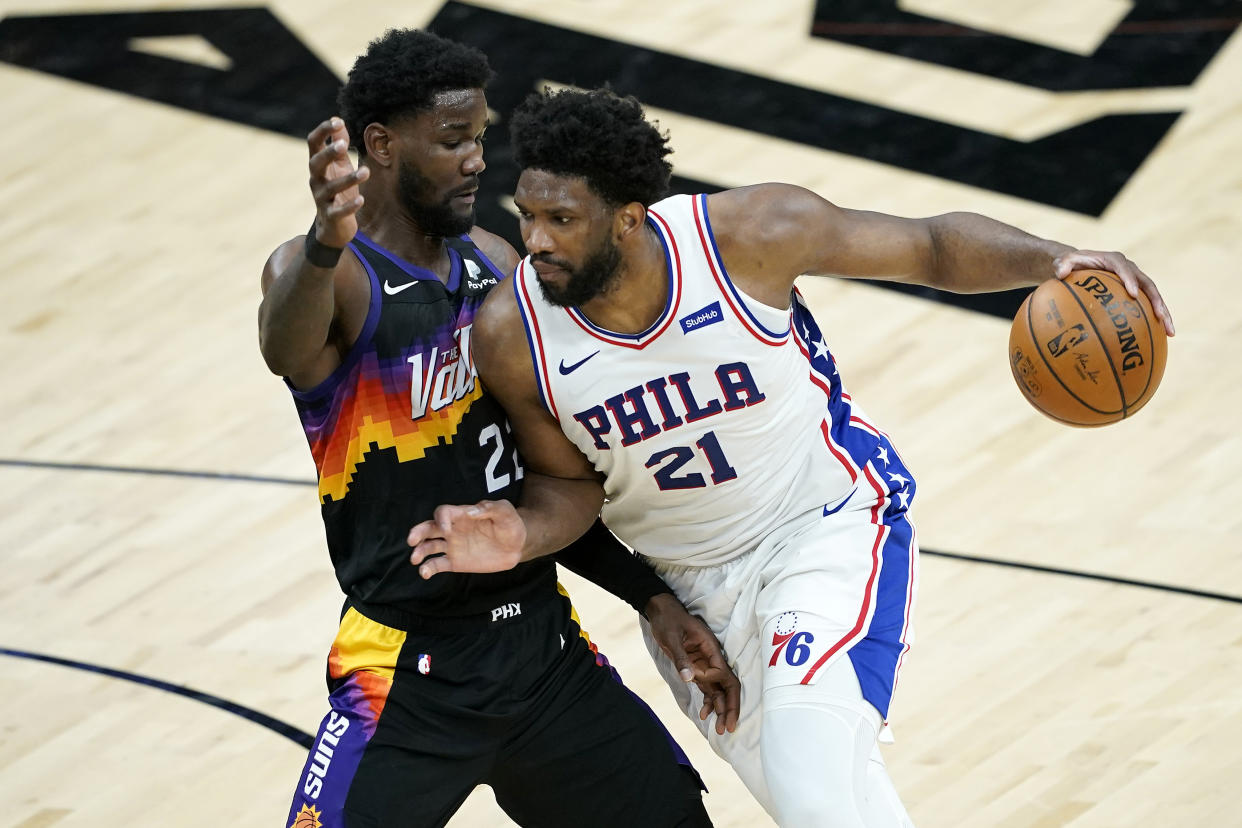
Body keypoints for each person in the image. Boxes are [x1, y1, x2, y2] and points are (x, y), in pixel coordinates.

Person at [406, 88, 1176, 828]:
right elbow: (567, 490)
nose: (535, 239)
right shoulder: (513, 333)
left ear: (629, 220)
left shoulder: (751, 236)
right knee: (835, 811)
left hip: (823, 529)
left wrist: (1055, 259)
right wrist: (524, 536)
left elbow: (932, 246)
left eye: (561, 219)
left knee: (815, 791)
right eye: (528, 215)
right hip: (692, 595)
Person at [258, 33, 739, 828]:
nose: (479, 160)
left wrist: (648, 596)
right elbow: (286, 347)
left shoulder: (494, 263)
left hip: (541, 656)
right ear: (380, 145)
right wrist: (322, 244)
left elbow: (541, 477)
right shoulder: (328, 275)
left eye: (480, 136)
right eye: (454, 141)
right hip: (407, 676)